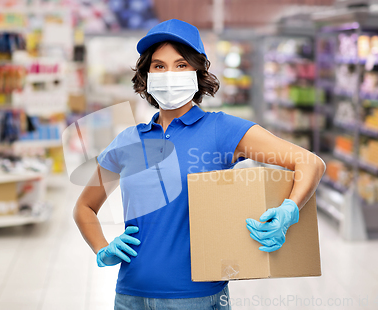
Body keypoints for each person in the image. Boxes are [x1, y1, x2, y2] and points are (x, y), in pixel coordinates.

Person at [73, 19, 326, 310]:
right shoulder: (128, 141)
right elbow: (84, 207)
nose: (169, 74)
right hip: (130, 296)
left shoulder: (222, 130)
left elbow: (309, 163)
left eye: (181, 65)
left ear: (198, 72)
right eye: (159, 66)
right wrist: (102, 248)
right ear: (146, 75)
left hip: (197, 297)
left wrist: (289, 209)